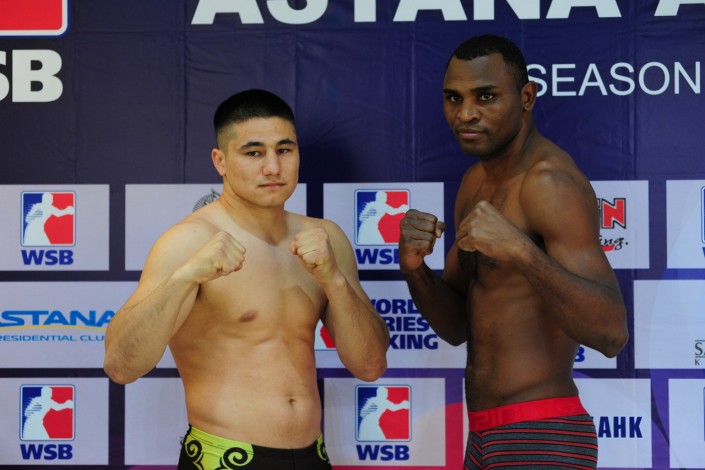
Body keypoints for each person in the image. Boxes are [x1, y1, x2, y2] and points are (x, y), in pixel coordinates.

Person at [103, 89, 390, 469]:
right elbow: (121, 366)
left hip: (313, 456)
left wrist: (334, 280)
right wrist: (186, 277)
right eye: (253, 153)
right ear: (220, 161)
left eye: (284, 150)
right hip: (224, 458)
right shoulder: (189, 242)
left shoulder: (325, 238)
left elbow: (370, 365)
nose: (272, 167)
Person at [398, 35, 628, 469]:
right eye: (454, 98)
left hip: (542, 435)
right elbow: (456, 327)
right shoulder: (474, 183)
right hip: (483, 435)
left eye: (485, 96)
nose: (466, 113)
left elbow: (611, 335)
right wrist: (415, 270)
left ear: (526, 97)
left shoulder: (548, 183)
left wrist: (521, 250)